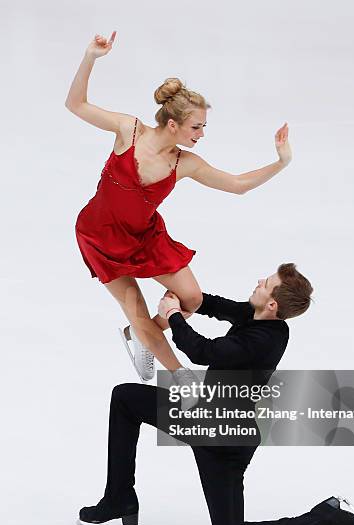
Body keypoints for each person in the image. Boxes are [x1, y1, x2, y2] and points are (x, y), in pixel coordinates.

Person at [77, 264, 354, 525]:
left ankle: (327, 519)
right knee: (126, 398)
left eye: (266, 283)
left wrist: (174, 317)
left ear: (272, 303)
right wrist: (182, 293)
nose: (259, 280)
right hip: (201, 419)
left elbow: (203, 351)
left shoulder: (265, 340)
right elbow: (214, 305)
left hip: (226, 441)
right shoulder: (255, 315)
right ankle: (119, 498)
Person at [65, 31, 292, 385]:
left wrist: (280, 163)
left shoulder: (185, 163)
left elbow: (237, 185)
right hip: (100, 238)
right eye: (196, 126)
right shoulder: (129, 130)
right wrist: (90, 57)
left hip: (145, 237)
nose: (201, 133)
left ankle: (142, 333)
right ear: (173, 124)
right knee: (137, 310)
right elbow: (76, 104)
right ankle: (178, 373)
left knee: (192, 297)